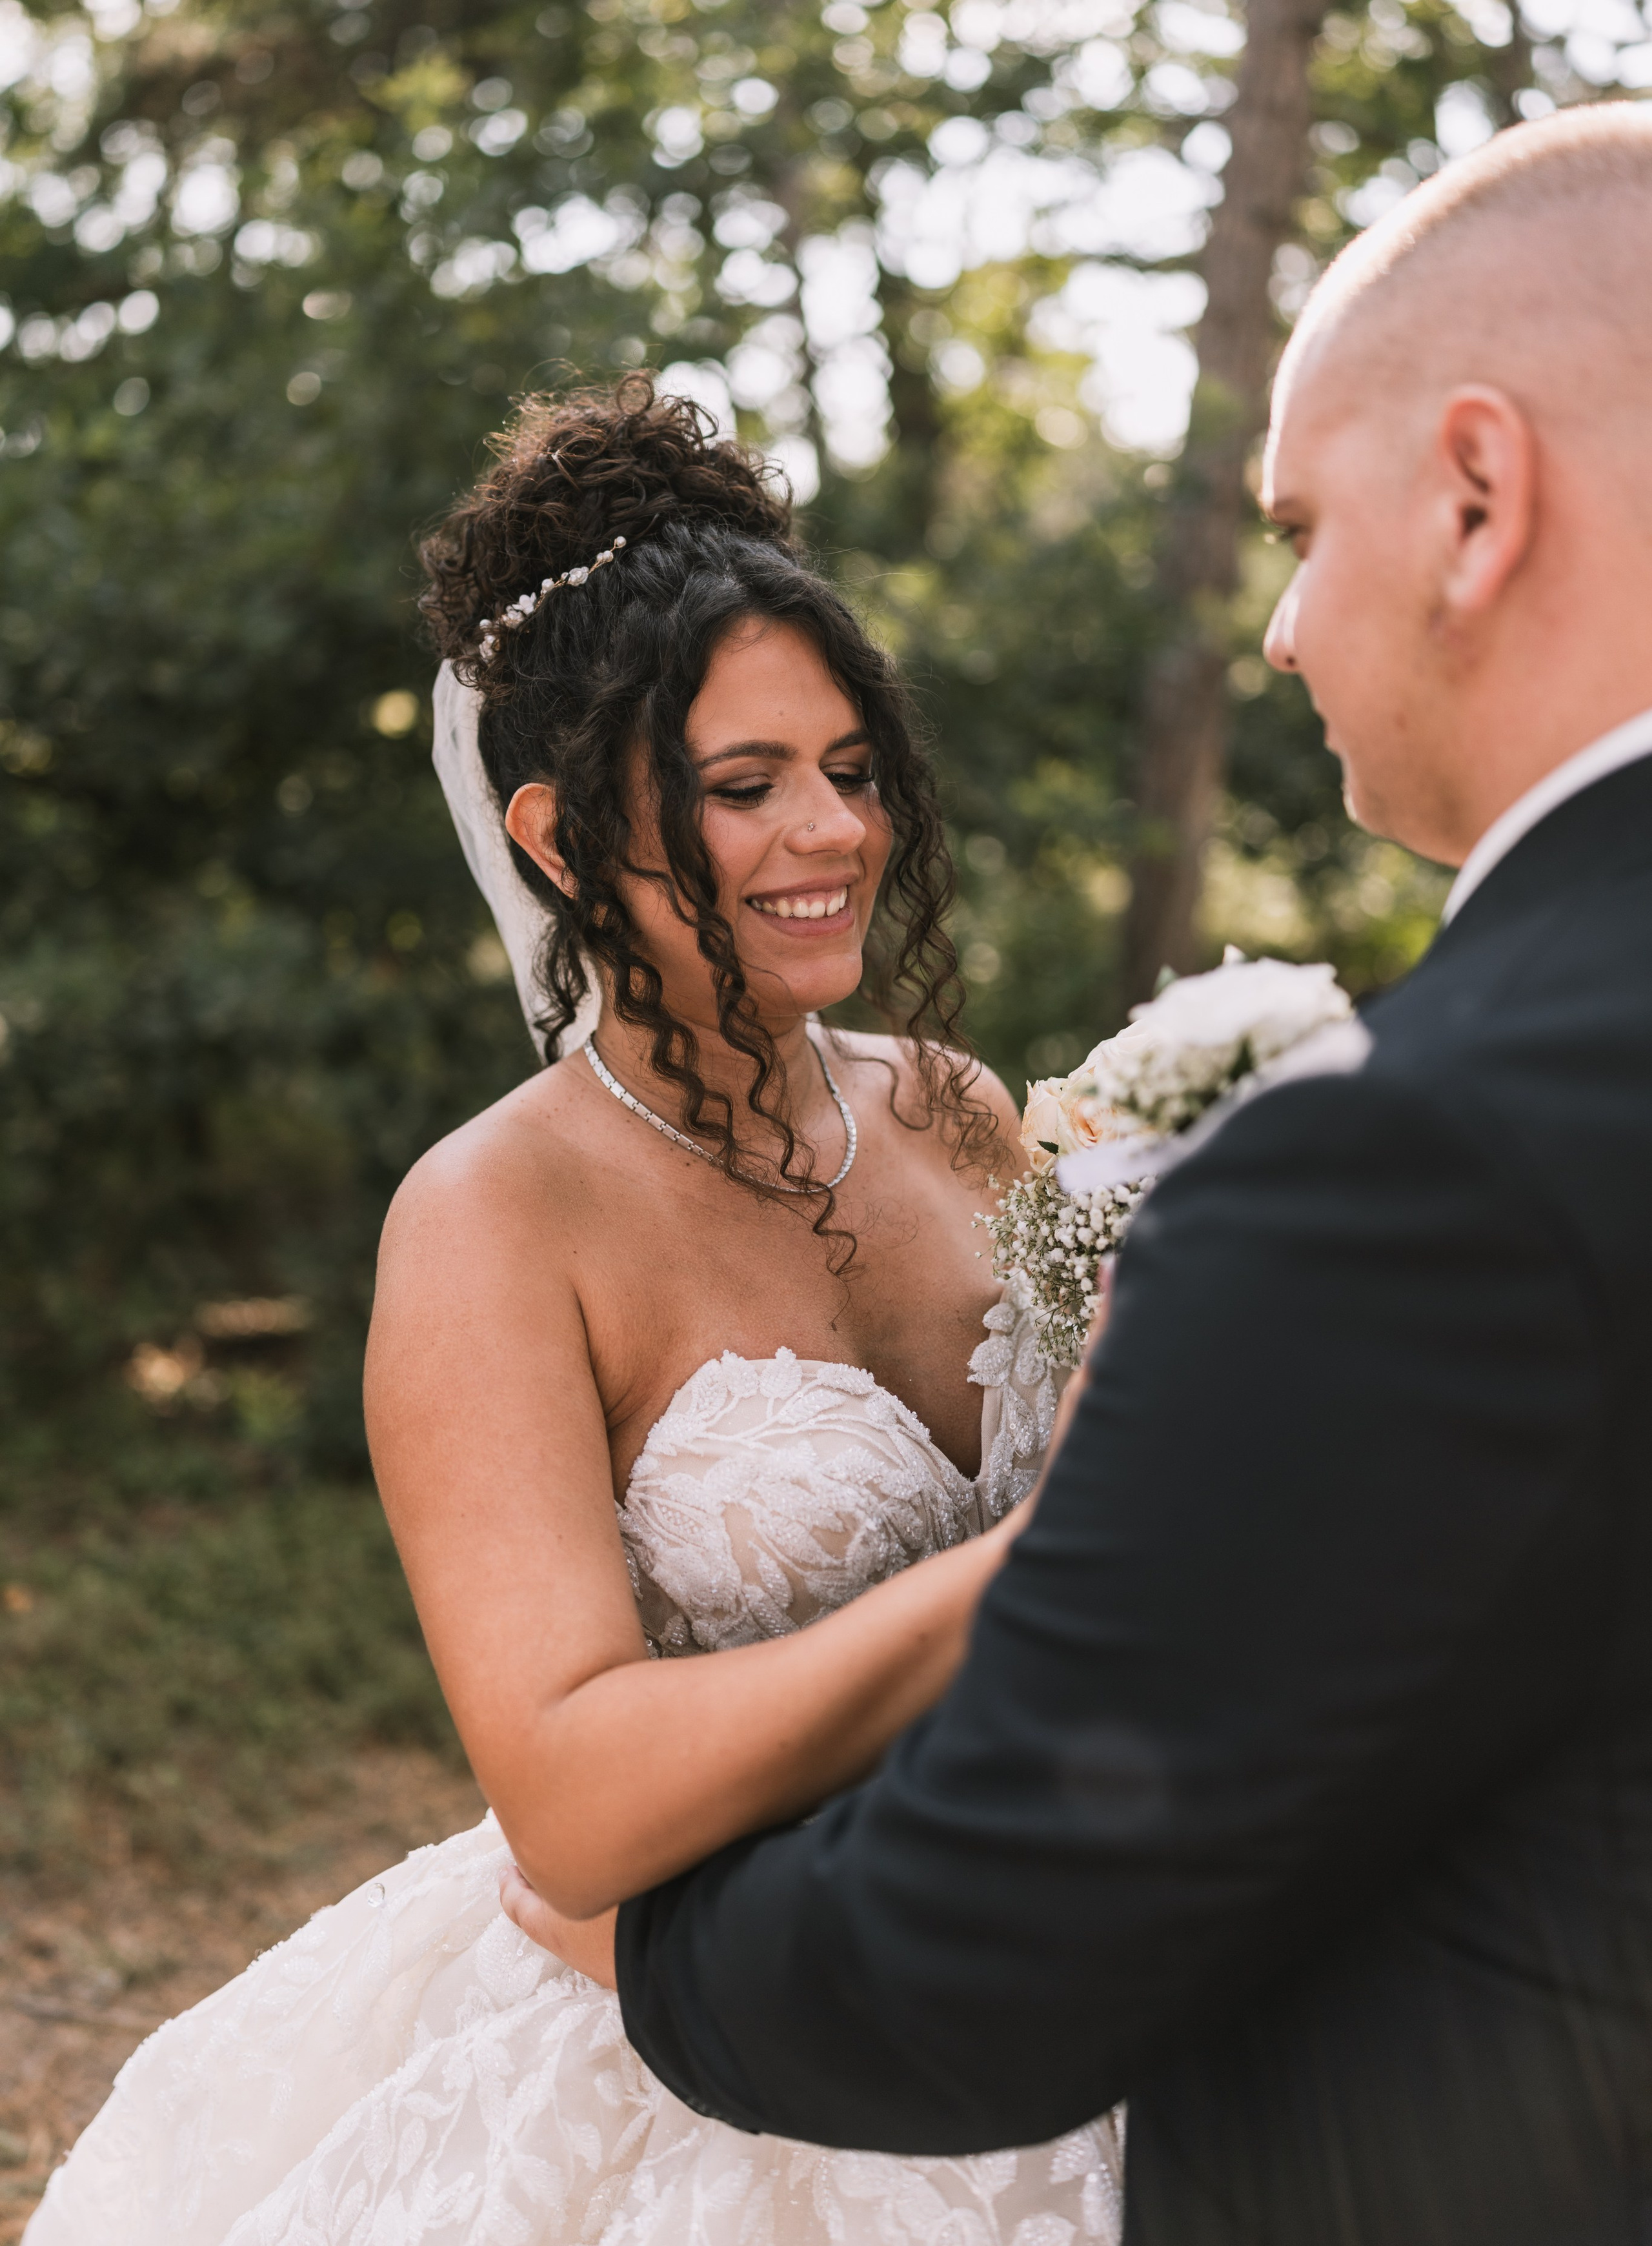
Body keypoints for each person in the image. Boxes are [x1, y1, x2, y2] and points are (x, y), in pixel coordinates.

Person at [592, 106, 1652, 2245]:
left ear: (1474, 494)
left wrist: (629, 1952)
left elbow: (983, 1949)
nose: (1278, 631)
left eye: (1298, 529)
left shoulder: (1409, 1162)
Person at [25, 382, 1125, 2246]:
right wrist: (1051, 1560)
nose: (828, 831)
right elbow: (577, 1802)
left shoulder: (960, 1106)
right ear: (552, 836)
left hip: (1076, 1948)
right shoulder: (491, 1220)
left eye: (851, 769)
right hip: (709, 2032)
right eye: (742, 784)